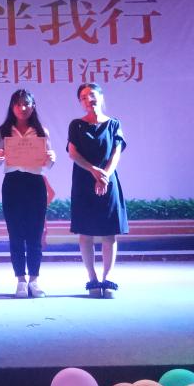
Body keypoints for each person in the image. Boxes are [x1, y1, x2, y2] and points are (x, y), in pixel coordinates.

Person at [0, 89, 57, 299]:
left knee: (35, 234)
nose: (22, 108)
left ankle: (34, 280)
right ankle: (20, 280)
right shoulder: (3, 131)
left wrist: (51, 158)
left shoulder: (42, 131)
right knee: (16, 234)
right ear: (12, 107)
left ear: (33, 105)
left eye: (26, 103)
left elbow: (48, 164)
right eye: (18, 104)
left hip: (35, 183)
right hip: (12, 183)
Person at [67, 82, 128, 298]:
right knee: (86, 233)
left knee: (109, 232)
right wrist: (94, 171)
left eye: (91, 95)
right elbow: (73, 153)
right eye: (83, 97)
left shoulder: (113, 124)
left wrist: (105, 176)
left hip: (108, 181)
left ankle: (107, 278)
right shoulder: (76, 125)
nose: (88, 100)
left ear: (101, 97)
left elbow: (116, 153)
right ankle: (92, 278)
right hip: (84, 181)